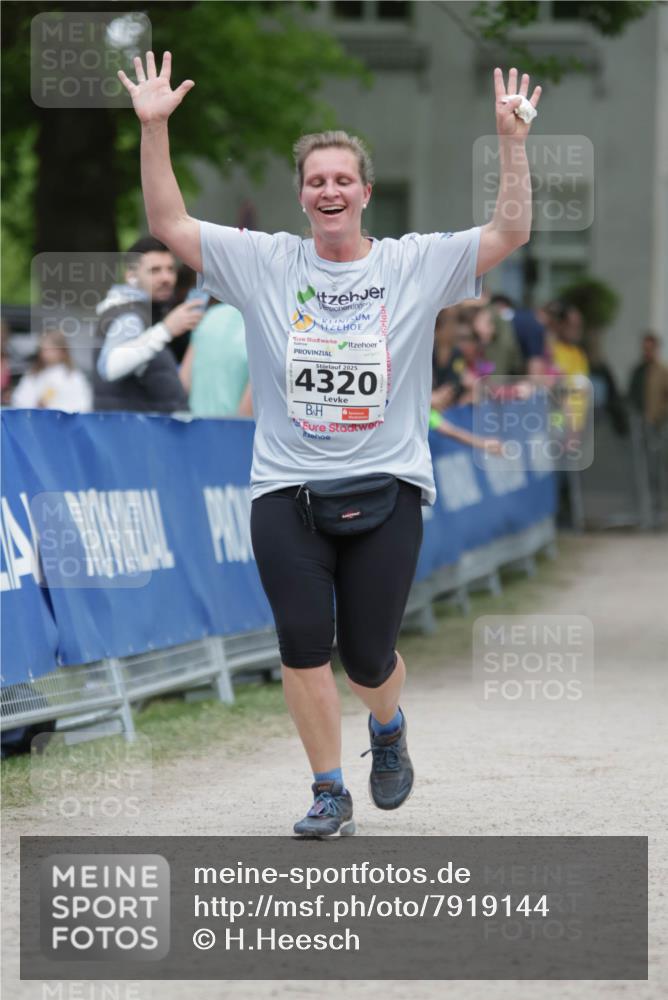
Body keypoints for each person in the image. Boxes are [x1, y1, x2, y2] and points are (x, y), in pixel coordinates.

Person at [119, 52, 541, 836]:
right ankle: (325, 790)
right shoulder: (264, 262)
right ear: (302, 195)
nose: (330, 190)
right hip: (286, 489)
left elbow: (511, 230)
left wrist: (509, 142)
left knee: (368, 659)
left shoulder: (414, 264)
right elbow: (171, 224)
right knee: (304, 647)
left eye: (343, 178)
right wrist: (153, 130)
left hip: (388, 487)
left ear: (366, 192)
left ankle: (386, 726)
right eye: (316, 180)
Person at [93, 235, 203, 412]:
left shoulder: (141, 312)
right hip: (134, 435)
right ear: (131, 276)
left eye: (170, 269)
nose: (166, 278)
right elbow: (110, 367)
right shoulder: (130, 315)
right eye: (155, 270)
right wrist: (166, 330)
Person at [179, 301, 252, 417]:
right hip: (237, 429)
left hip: (195, 426)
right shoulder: (267, 324)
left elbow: (183, 382)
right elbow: (249, 408)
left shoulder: (210, 315)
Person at [11, 330, 92, 412]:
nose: (45, 354)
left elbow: (82, 405)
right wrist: (35, 406)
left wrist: (53, 409)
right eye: (43, 350)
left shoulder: (73, 377)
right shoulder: (33, 374)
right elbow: (19, 399)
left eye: (51, 349)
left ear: (62, 351)